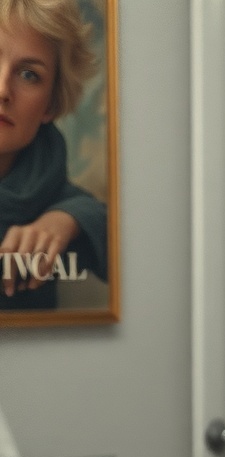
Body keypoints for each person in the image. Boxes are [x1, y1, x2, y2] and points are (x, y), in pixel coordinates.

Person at [0, 0, 107, 309]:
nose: (3, 89)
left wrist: (67, 219)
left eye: (29, 75)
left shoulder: (60, 200)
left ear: (50, 104)